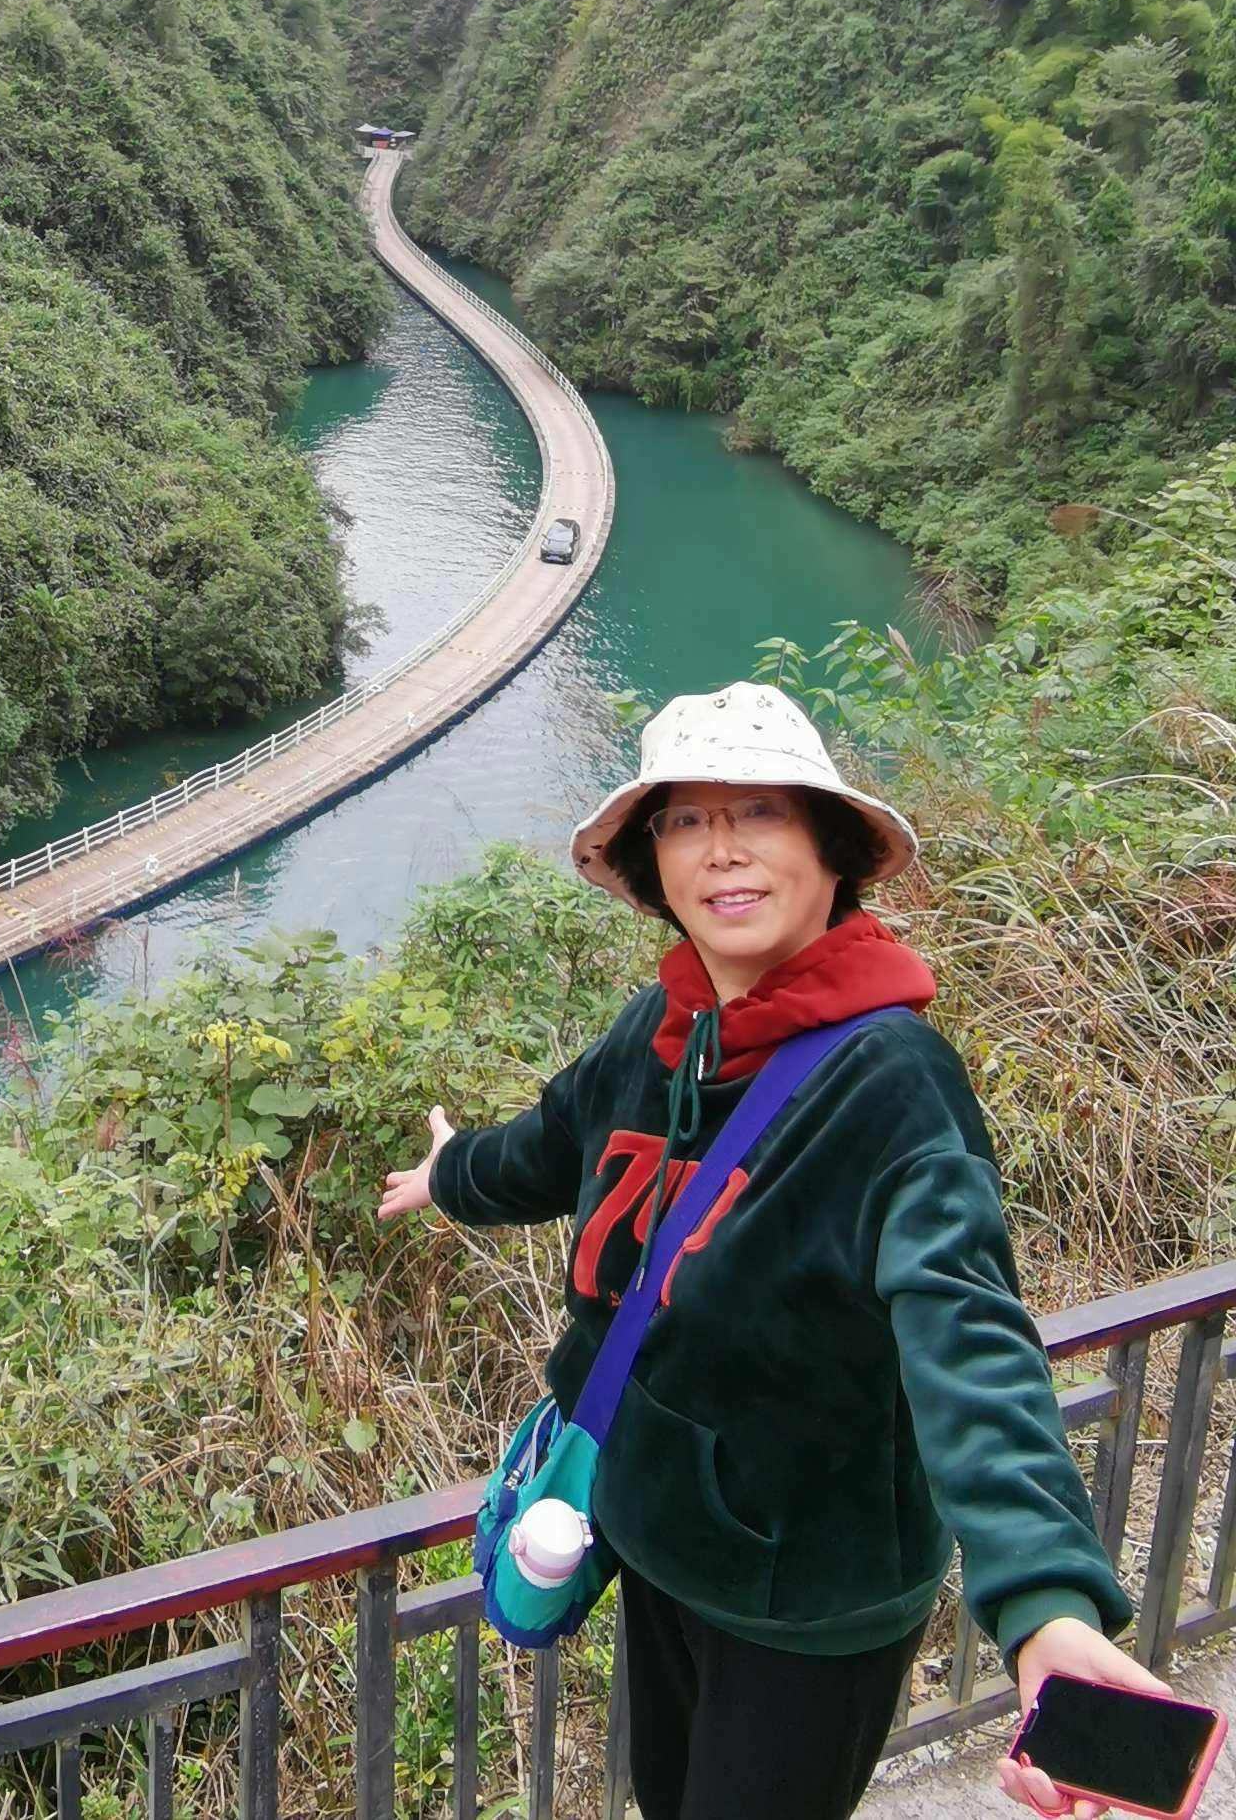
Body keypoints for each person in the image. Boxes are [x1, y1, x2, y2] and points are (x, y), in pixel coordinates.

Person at [378, 681, 1168, 1820]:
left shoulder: (888, 1084)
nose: (721, 850)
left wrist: (1045, 1601)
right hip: (654, 1538)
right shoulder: (662, 1033)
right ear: (653, 863)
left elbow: (967, 1333)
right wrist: (448, 1176)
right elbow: (552, 1148)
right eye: (686, 821)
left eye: (758, 812)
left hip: (807, 1597)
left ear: (828, 847)